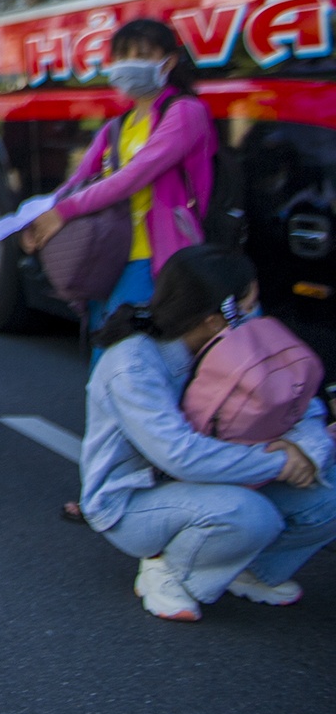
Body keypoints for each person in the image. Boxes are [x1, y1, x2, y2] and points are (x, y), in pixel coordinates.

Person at [82, 245, 336, 621]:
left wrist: (307, 452)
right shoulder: (133, 365)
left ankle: (248, 569)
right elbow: (179, 455)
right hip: (134, 502)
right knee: (250, 515)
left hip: (227, 477)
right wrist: (281, 461)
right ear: (215, 319)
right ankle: (169, 568)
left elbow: (305, 405)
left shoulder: (238, 342)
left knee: (328, 491)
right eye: (249, 305)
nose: (255, 314)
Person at [21, 18, 216, 347]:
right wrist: (37, 219)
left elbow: (132, 177)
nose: (129, 65)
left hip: (154, 257)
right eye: (123, 56)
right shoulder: (119, 125)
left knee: (130, 356)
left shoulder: (185, 113)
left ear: (167, 63)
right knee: (108, 356)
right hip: (109, 252)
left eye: (141, 56)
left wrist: (64, 212)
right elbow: (79, 180)